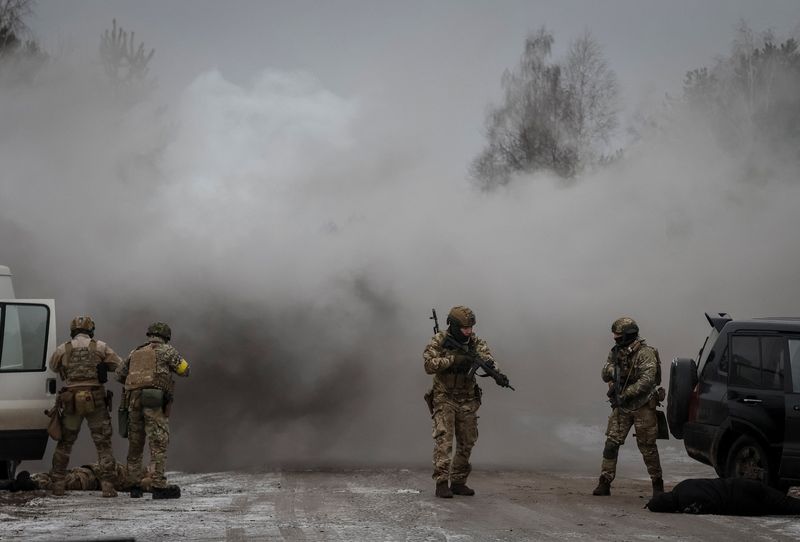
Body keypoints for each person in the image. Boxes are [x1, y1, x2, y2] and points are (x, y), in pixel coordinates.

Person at [423, 306, 497, 498]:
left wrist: (491, 367)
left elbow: (488, 358)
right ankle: (441, 482)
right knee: (444, 441)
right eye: (465, 328)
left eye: (471, 327)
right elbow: (429, 365)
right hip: (444, 397)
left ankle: (458, 482)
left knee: (467, 441)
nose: (469, 331)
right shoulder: (439, 340)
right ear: (455, 326)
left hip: (467, 398)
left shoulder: (475, 342)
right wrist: (453, 360)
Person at [49, 315, 123, 497]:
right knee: (103, 444)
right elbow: (119, 366)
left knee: (65, 443)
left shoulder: (63, 348)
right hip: (95, 399)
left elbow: (53, 366)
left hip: (71, 401)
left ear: (72, 330)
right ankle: (108, 487)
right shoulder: (100, 346)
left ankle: (58, 485)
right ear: (91, 330)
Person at [117, 322, 190, 499]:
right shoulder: (167, 350)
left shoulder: (135, 352)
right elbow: (185, 370)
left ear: (149, 335)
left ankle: (134, 486)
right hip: (153, 401)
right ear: (166, 337)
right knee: (158, 443)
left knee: (135, 444)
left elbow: (119, 374)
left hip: (133, 400)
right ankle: (158, 485)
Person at [593, 317, 664, 498]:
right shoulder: (616, 352)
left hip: (643, 405)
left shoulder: (646, 353)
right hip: (623, 407)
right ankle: (604, 481)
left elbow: (647, 381)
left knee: (648, 448)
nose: (615, 338)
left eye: (618, 335)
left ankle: (657, 484)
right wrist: (614, 372)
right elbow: (604, 372)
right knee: (611, 443)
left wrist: (626, 393)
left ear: (628, 334)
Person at [646, 477, 800, 515]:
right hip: (741, 484)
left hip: (742, 501)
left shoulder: (686, 505)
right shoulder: (681, 486)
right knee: (786, 502)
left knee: (786, 507)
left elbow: (715, 506)